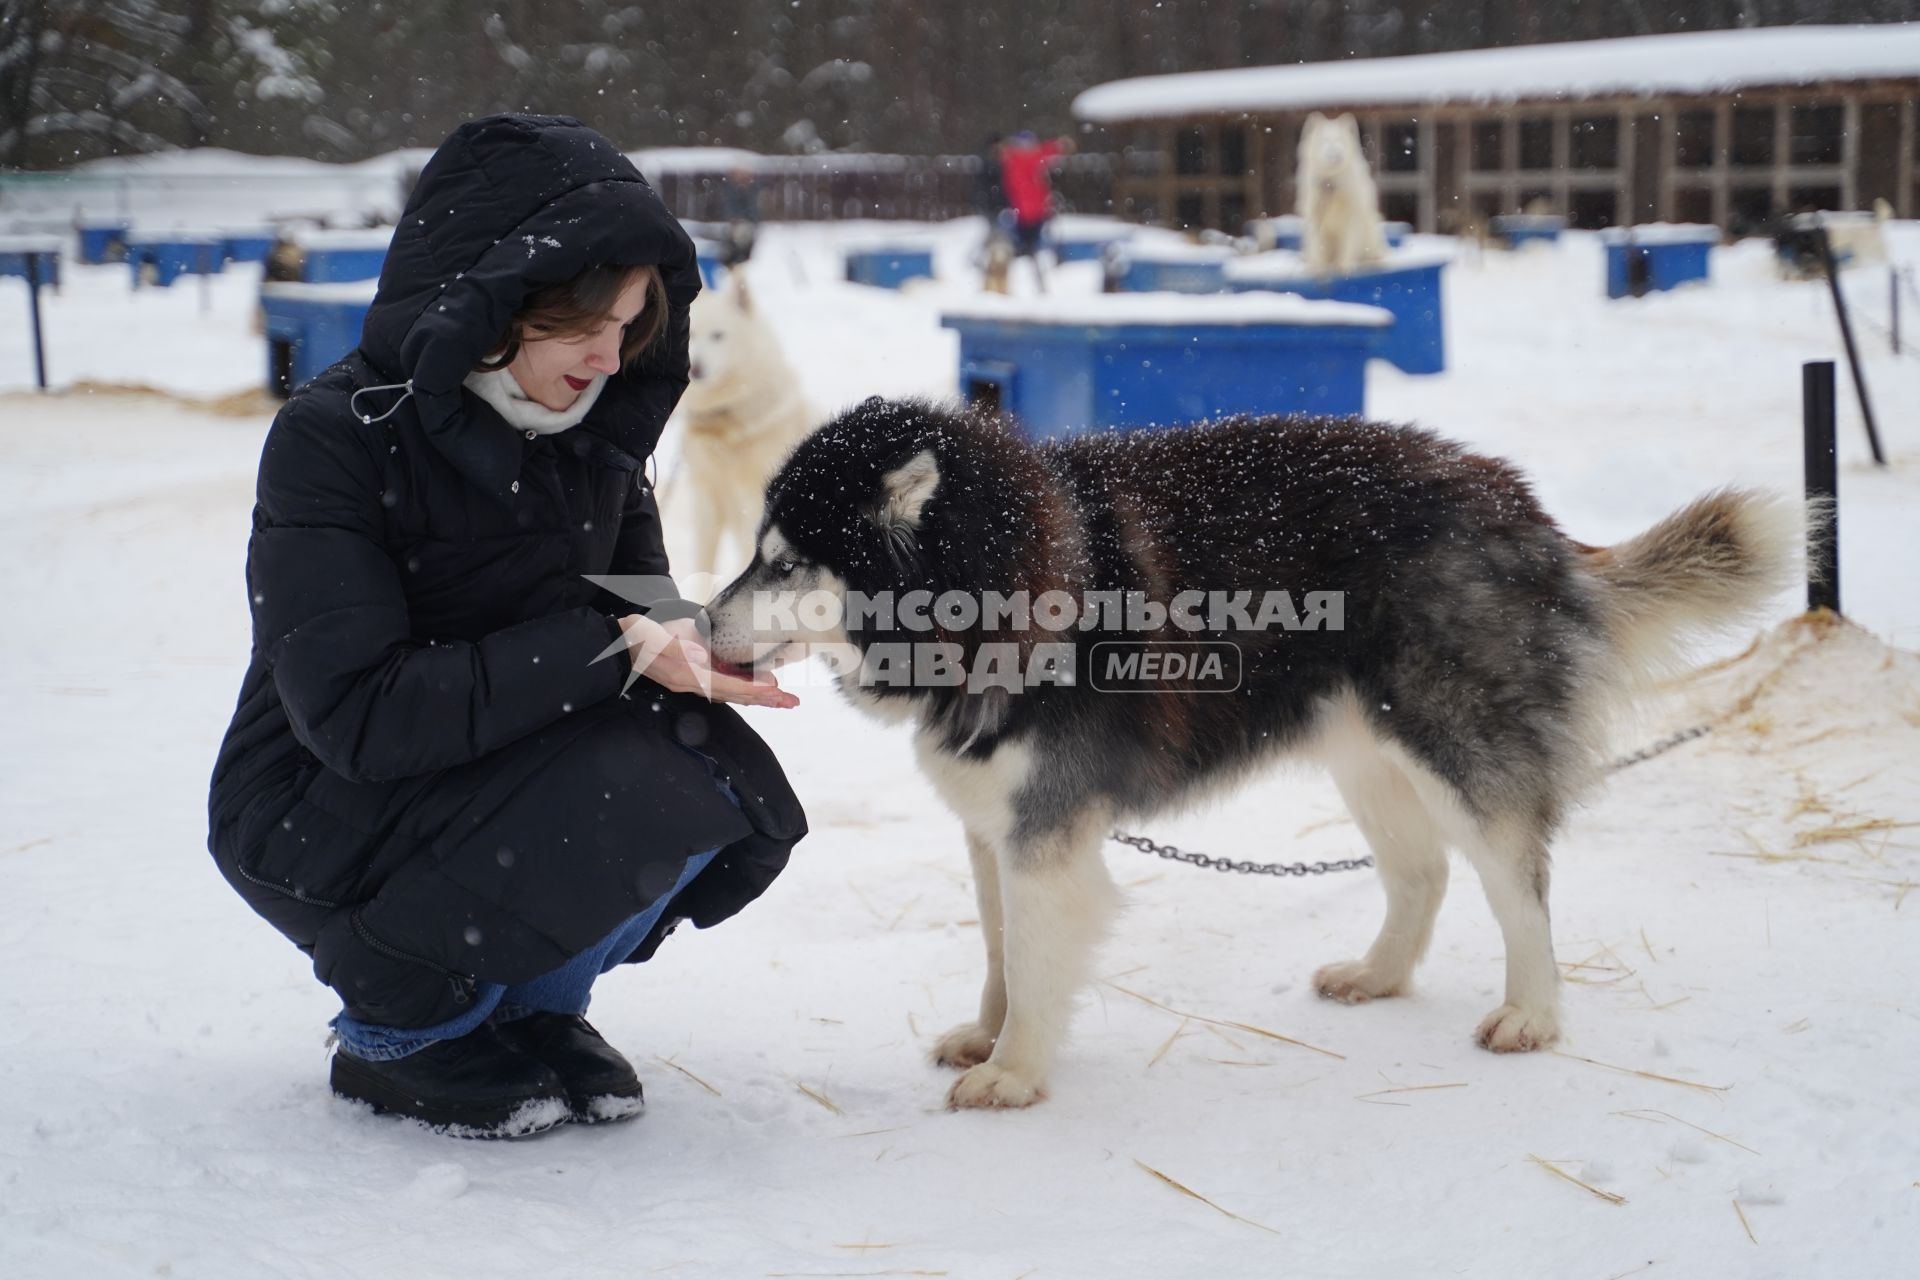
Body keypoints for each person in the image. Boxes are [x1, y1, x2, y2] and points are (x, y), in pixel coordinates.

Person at [206, 114, 807, 1140]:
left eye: (630, 329)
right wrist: (615, 649)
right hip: (312, 801)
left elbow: (640, 600)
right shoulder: (335, 440)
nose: (612, 360)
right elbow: (358, 715)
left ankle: (530, 1005)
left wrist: (708, 641)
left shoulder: (592, 440)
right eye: (586, 328)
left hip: (490, 768)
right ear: (493, 305)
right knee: (624, 783)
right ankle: (404, 1028)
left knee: (712, 773)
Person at [997, 131, 1075, 292]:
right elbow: (1048, 150)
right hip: (1030, 212)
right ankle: (1035, 280)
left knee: (1026, 250)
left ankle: (1026, 280)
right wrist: (1061, 145)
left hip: (1026, 211)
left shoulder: (1012, 158)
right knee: (1031, 249)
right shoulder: (1026, 158)